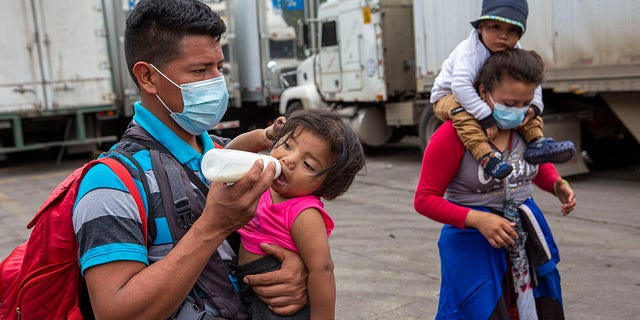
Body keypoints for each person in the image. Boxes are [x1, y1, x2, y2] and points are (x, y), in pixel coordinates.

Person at [72, 0, 308, 318]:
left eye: (219, 68)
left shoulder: (230, 154)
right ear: (148, 78)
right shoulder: (112, 183)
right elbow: (115, 312)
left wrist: (295, 270)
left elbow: (273, 231)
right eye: (199, 70)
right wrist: (212, 226)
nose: (216, 83)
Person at [415, 49, 576, 319]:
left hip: (524, 241)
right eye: (509, 103)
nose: (518, 112)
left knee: (535, 307)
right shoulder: (451, 136)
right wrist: (478, 220)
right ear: (482, 92)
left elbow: (534, 167)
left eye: (525, 103)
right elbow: (424, 199)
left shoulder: (525, 127)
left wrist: (557, 184)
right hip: (472, 247)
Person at [226, 109, 366, 319]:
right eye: (287, 145)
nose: (289, 160)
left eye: (308, 165)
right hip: (248, 287)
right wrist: (265, 136)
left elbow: (323, 271)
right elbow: (228, 153)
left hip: (279, 304)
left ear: (327, 187)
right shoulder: (262, 181)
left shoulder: (304, 213)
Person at [430, 0, 575, 179]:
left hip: (480, 94)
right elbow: (460, 86)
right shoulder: (469, 51)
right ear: (481, 27)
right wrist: (485, 117)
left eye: (512, 30)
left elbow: (532, 79)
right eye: (496, 27)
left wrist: (534, 106)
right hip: (449, 96)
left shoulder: (514, 50)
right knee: (464, 115)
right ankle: (486, 157)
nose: (503, 36)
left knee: (521, 106)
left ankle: (536, 142)